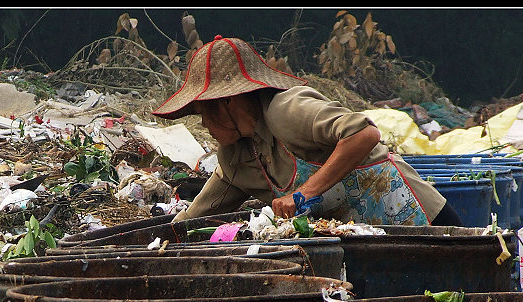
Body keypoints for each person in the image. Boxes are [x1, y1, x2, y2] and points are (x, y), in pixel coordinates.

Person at [152, 35, 464, 226]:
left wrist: (303, 194)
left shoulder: (286, 109)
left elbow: (364, 134)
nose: (204, 123)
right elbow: (194, 218)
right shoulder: (237, 159)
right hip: (377, 247)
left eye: (205, 112)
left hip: (422, 222)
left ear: (228, 101)